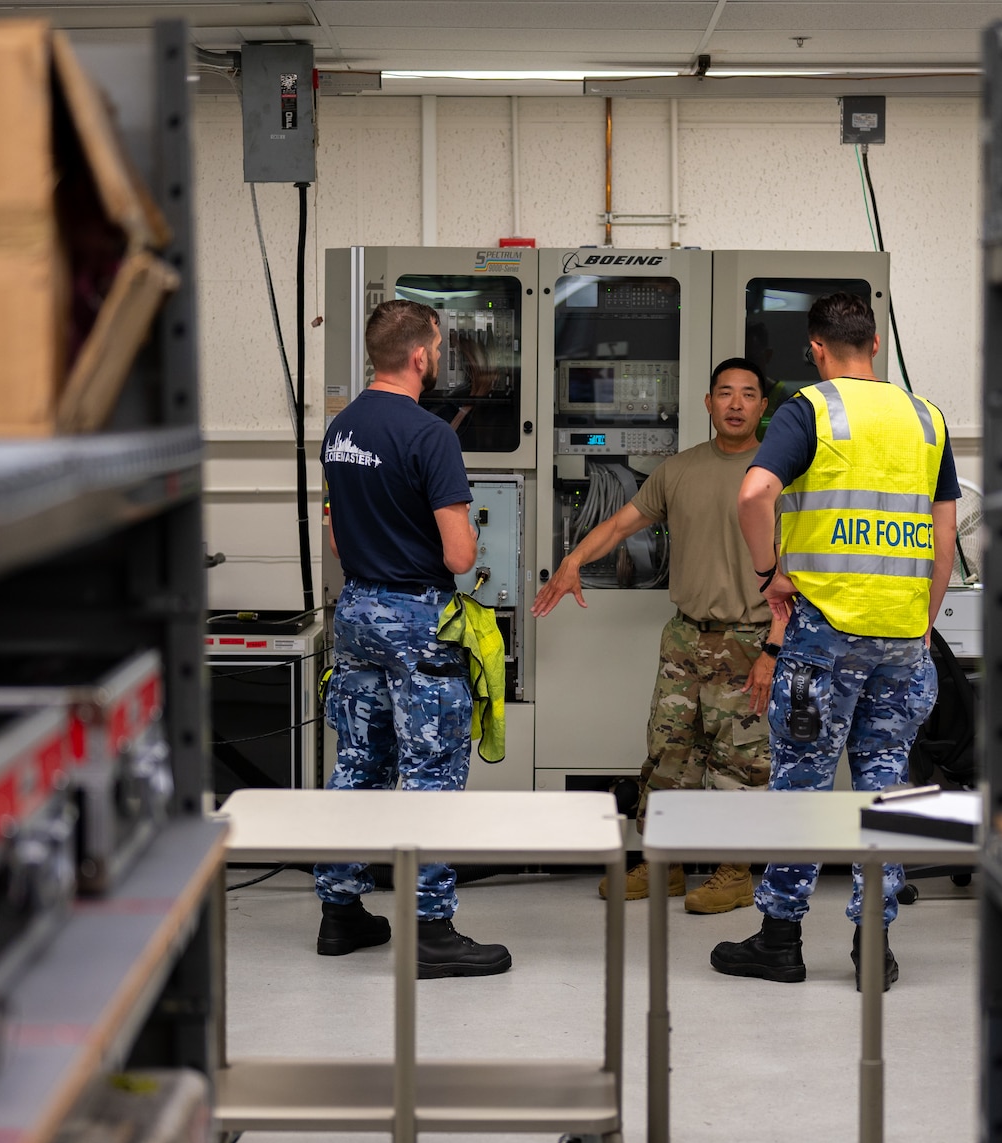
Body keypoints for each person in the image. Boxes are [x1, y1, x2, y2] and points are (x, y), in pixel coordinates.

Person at [715, 292, 959, 991]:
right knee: (887, 787)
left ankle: (780, 939)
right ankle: (873, 944)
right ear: (875, 344)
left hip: (824, 635)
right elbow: (944, 542)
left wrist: (771, 574)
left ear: (817, 350)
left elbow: (754, 493)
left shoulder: (812, 408)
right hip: (902, 637)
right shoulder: (927, 418)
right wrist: (921, 617)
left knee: (803, 783)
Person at [533, 358, 785, 914]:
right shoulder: (679, 469)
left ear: (764, 406)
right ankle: (664, 863)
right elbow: (622, 523)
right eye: (725, 393)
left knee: (739, 761)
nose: (737, 404)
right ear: (707, 402)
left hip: (749, 636)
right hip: (684, 637)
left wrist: (774, 646)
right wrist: (574, 559)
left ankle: (734, 870)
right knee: (668, 754)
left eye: (748, 395)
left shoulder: (780, 473)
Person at [314, 299, 512, 978]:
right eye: (439, 347)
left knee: (359, 763)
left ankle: (339, 912)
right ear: (422, 355)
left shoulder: (340, 430)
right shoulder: (430, 436)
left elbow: (337, 537)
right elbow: (459, 556)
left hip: (359, 609)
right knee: (430, 775)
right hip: (417, 618)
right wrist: (473, 540)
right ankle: (430, 932)